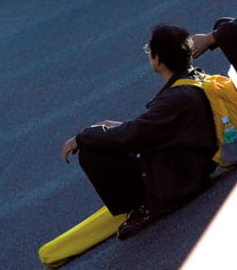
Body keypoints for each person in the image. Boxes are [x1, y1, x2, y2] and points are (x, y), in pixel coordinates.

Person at [61, 24, 218, 239]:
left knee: (91, 151)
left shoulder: (175, 98)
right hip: (194, 163)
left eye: (149, 50)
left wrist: (82, 137)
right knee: (104, 136)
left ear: (158, 60)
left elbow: (133, 136)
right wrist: (114, 126)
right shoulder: (194, 79)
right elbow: (151, 128)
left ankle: (144, 207)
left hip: (183, 181)